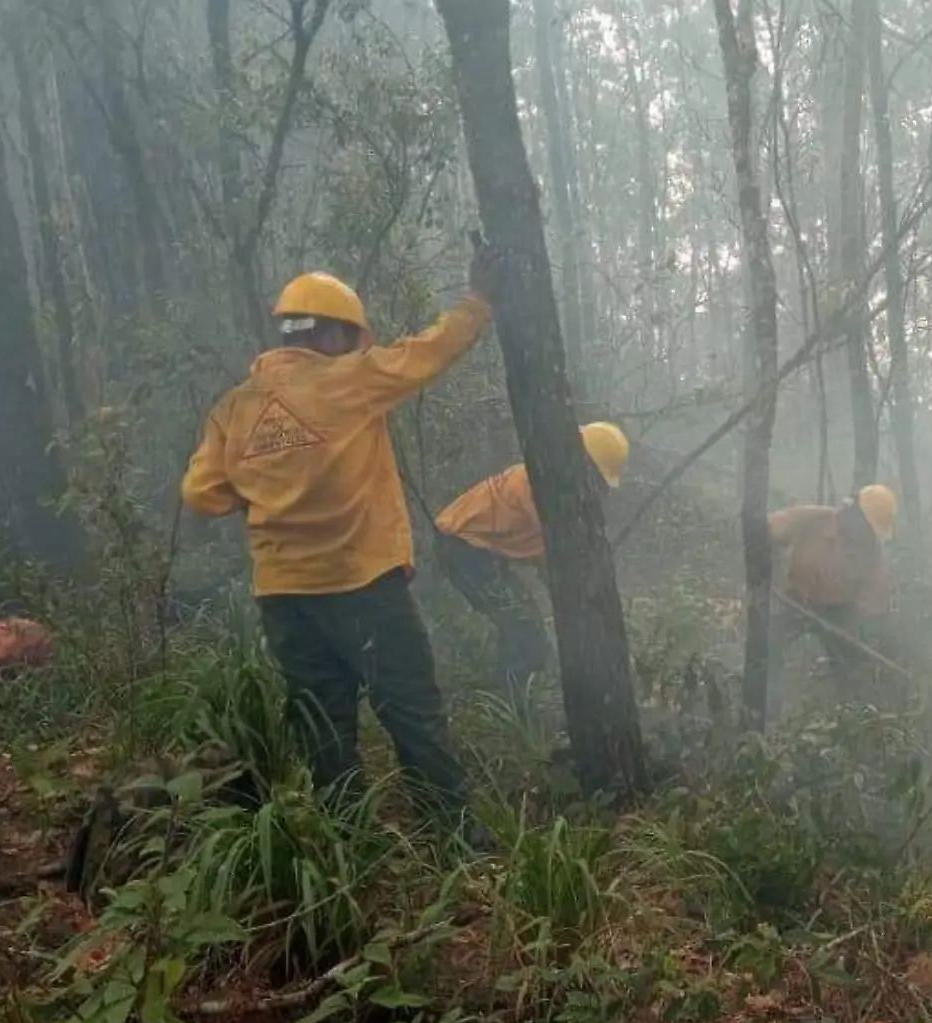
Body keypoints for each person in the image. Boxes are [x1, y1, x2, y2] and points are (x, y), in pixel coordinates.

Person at [181, 250, 500, 848]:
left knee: (324, 724)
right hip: (362, 588)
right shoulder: (351, 379)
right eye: (350, 336)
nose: (354, 347)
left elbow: (202, 493)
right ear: (329, 332)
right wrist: (478, 302)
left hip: (282, 598)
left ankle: (346, 851)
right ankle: (458, 844)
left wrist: (267, 487)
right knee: (411, 710)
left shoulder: (234, 407)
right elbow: (428, 352)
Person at [432, 422, 630, 700]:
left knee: (523, 623)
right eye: (595, 477)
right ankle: (514, 707)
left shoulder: (546, 481)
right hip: (462, 549)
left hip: (476, 549)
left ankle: (513, 689)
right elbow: (554, 559)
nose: (596, 487)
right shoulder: (541, 492)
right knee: (524, 628)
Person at [765, 484, 897, 716]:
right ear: (853, 514)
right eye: (866, 527)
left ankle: (847, 716)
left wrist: (880, 643)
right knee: (768, 644)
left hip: (839, 610)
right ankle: (769, 706)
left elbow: (878, 603)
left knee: (849, 668)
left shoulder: (872, 551)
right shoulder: (812, 519)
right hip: (795, 598)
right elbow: (766, 531)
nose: (867, 535)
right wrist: (769, 571)